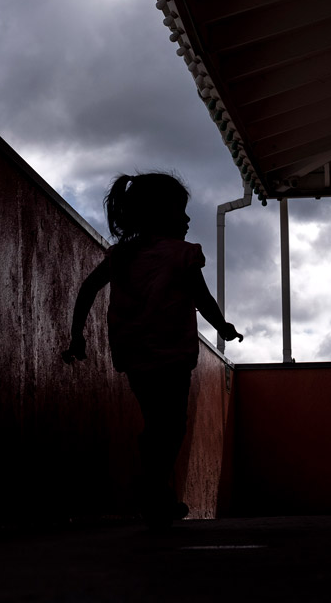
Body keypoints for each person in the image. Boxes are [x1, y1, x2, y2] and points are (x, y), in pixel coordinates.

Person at [63, 172, 242, 529]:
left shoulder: (122, 255)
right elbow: (201, 297)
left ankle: (155, 490)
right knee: (172, 423)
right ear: (162, 214)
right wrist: (222, 326)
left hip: (133, 352)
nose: (188, 220)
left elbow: (88, 289)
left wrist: (77, 335)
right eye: (181, 212)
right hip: (172, 351)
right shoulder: (183, 254)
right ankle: (155, 490)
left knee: (155, 420)